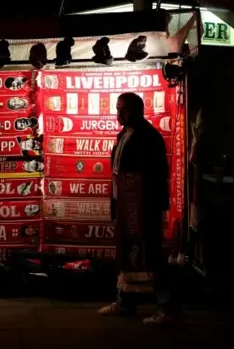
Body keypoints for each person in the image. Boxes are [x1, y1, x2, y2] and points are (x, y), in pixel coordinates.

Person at [98, 92, 179, 324]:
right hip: (125, 206)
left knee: (151, 255)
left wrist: (146, 204)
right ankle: (125, 302)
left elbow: (155, 175)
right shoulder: (123, 135)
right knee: (127, 255)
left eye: (124, 109)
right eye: (117, 109)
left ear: (138, 110)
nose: (119, 114)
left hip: (144, 208)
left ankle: (167, 308)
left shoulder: (149, 137)